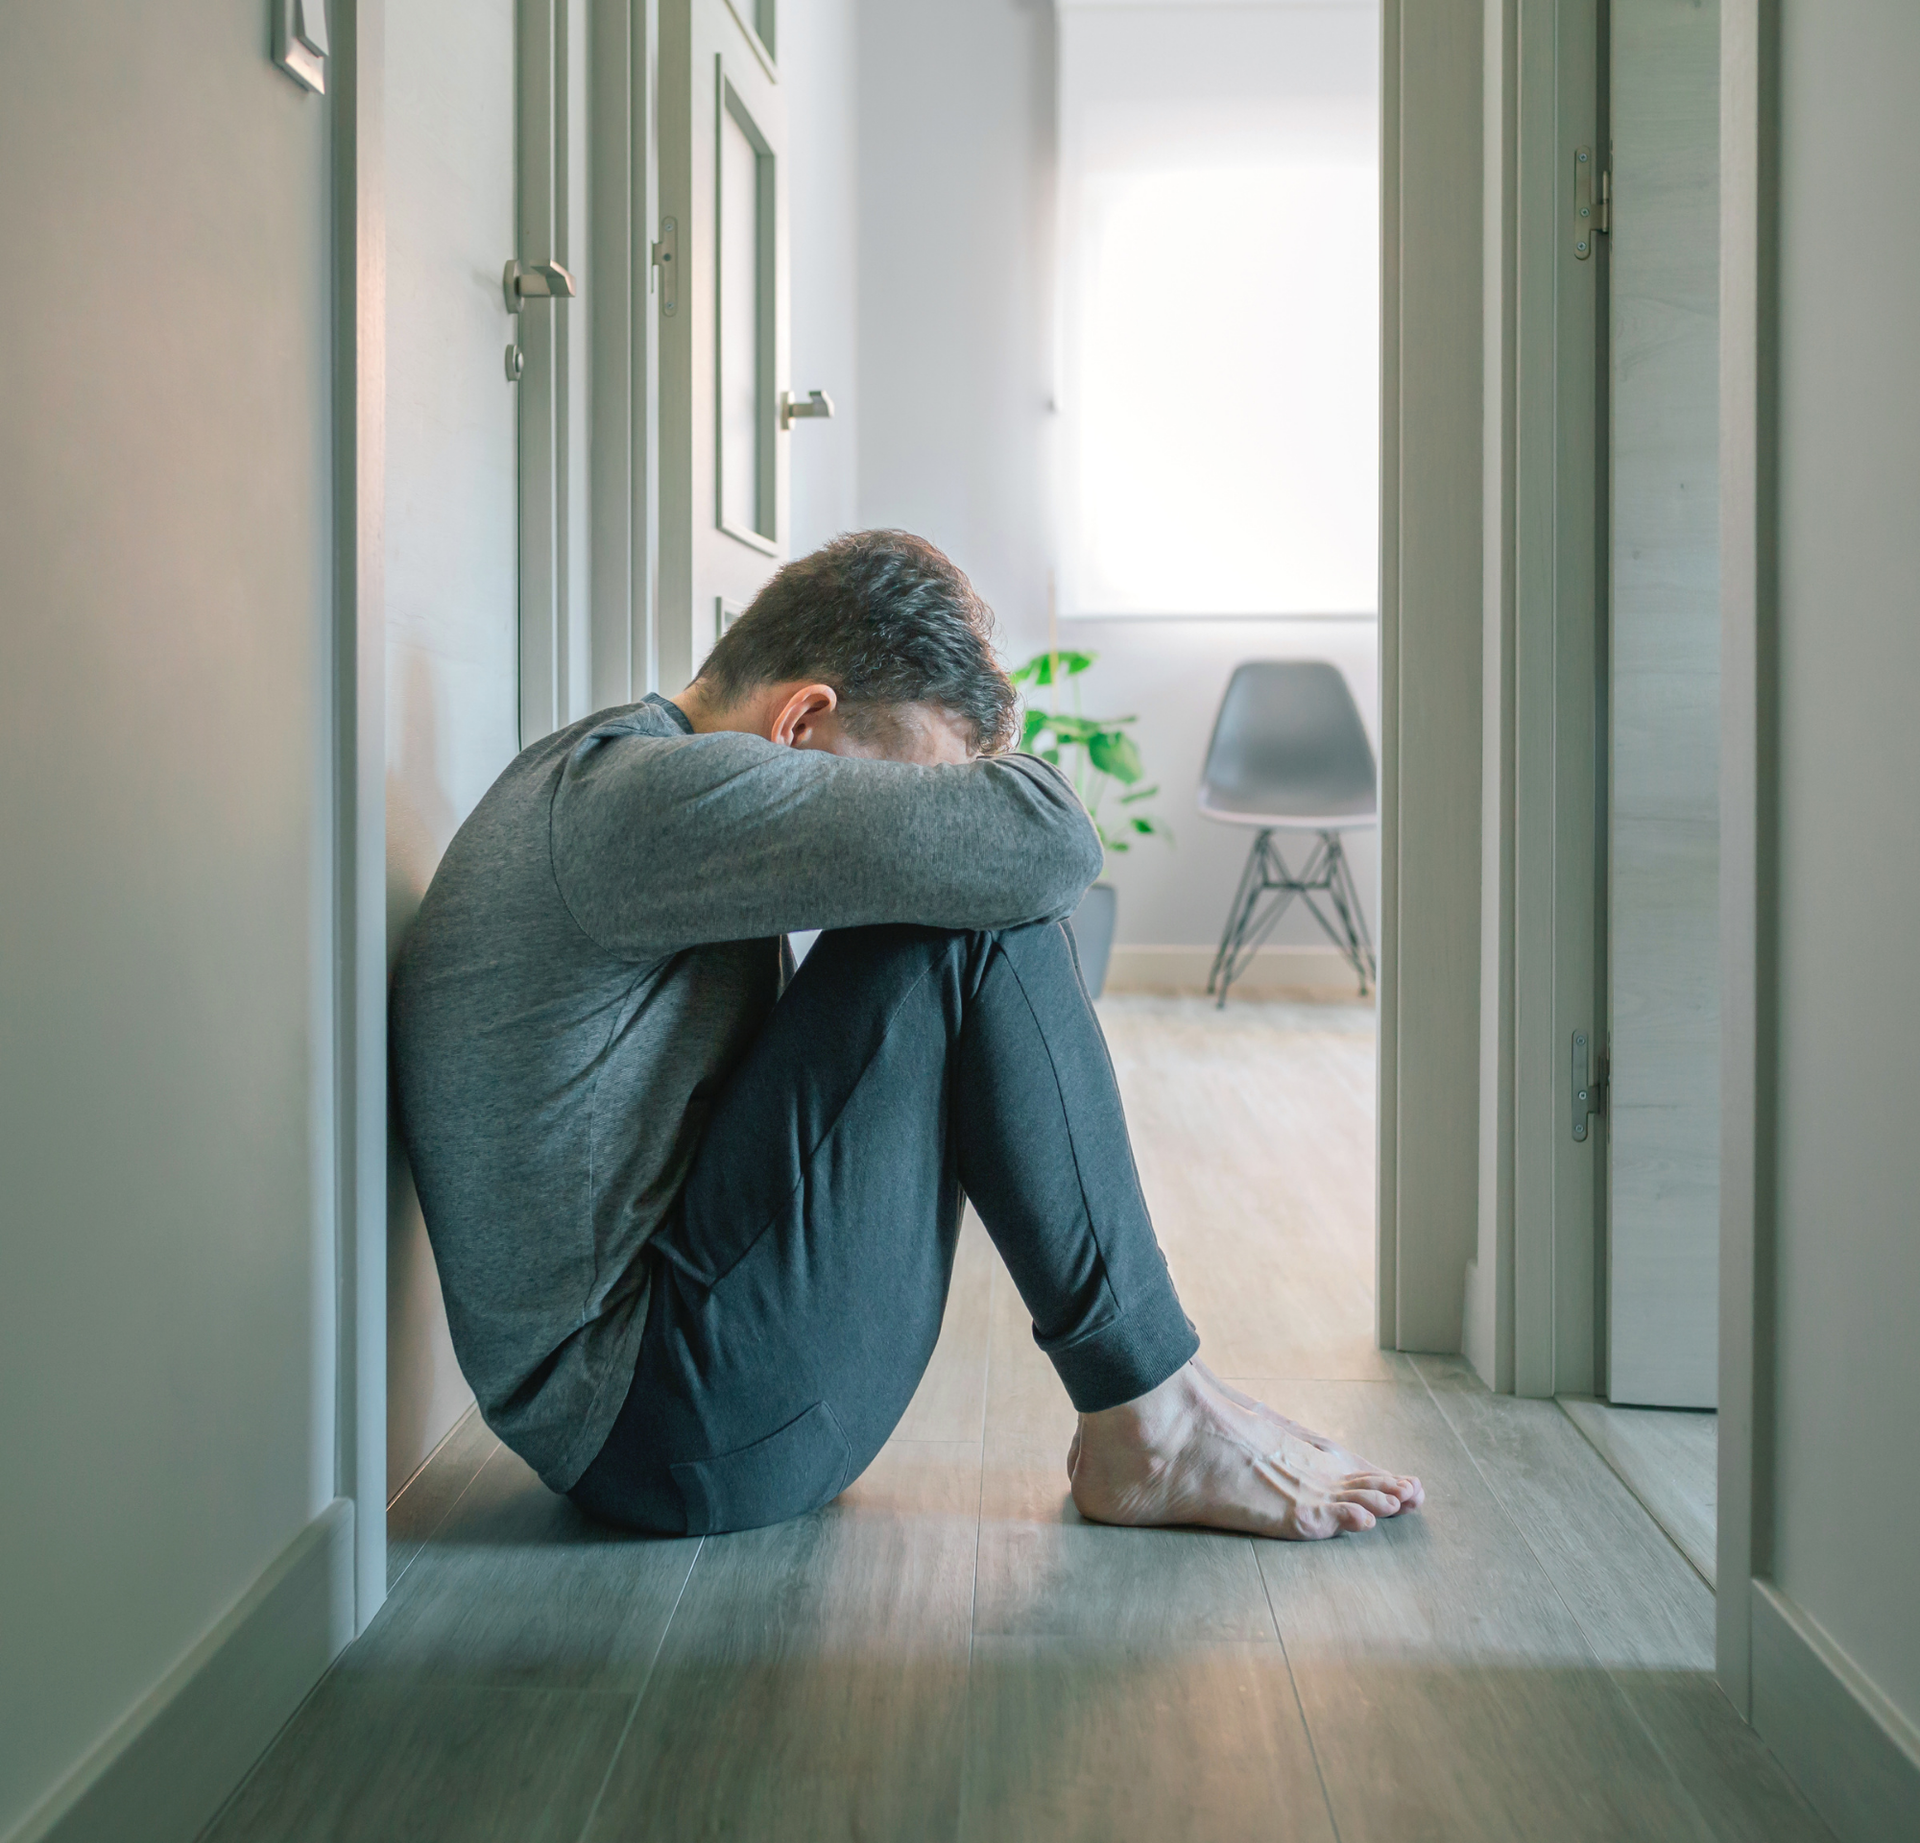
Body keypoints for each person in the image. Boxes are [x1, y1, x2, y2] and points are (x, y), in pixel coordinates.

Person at [391, 529, 1423, 1540]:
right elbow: (1048, 839)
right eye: (909, 784)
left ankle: (1162, 1391)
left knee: (962, 890)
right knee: (967, 916)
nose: (905, 816)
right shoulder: (646, 800)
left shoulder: (618, 777)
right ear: (802, 723)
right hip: (663, 1430)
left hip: (668, 1404)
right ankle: (1149, 1412)